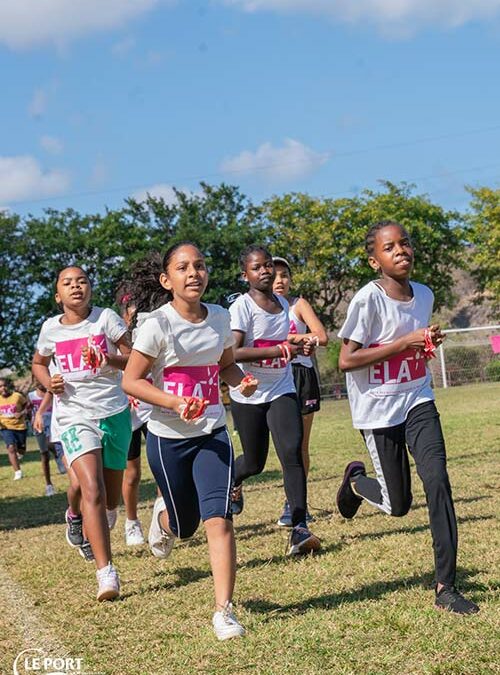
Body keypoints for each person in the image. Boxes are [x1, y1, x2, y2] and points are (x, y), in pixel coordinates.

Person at [336, 220, 479, 615]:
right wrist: (402, 343)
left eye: (405, 243)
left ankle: (445, 586)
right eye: (389, 247)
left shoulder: (425, 295)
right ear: (374, 260)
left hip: (417, 399)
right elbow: (346, 360)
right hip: (378, 410)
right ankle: (354, 483)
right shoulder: (368, 300)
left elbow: (414, 346)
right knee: (398, 504)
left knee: (438, 480)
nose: (400, 251)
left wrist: (425, 342)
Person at [122, 242, 258, 640]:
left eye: (199, 265)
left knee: (220, 519)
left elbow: (227, 366)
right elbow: (131, 381)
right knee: (186, 526)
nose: (194, 273)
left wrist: (240, 383)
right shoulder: (157, 325)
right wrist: (174, 401)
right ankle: (162, 520)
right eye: (183, 268)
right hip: (168, 439)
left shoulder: (219, 317)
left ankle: (224, 611)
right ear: (167, 280)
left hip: (213, 432)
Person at [32, 265, 132, 601]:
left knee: (111, 500)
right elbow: (38, 364)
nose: (76, 287)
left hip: (114, 413)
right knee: (91, 487)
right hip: (74, 415)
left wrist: (107, 359)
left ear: (90, 288)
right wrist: (49, 383)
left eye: (82, 281)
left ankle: (76, 515)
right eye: (68, 283)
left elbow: (133, 359)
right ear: (58, 295)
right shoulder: (50, 329)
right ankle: (107, 574)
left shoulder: (106, 320)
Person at [228, 245, 321, 556]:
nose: (265, 271)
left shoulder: (284, 304)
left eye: (268, 265)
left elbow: (287, 342)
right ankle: (230, 480)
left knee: (292, 452)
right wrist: (278, 351)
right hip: (248, 391)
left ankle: (298, 527)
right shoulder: (241, 307)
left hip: (282, 387)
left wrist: (302, 347)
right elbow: (234, 353)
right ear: (246, 275)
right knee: (254, 462)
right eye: (257, 267)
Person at [272, 256, 328, 526]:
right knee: (284, 447)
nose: (279, 281)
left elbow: (322, 336)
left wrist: (292, 339)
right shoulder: (259, 309)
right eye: (274, 275)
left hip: (301, 376)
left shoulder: (299, 305)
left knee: (300, 445)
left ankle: (296, 504)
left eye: (284, 275)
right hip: (273, 378)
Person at [115, 284, 152, 546]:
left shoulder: (150, 329)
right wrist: (126, 389)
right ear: (123, 312)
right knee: (132, 473)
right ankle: (131, 522)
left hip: (154, 407)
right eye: (130, 308)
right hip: (128, 412)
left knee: (163, 465)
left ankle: (165, 509)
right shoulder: (115, 338)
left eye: (138, 306)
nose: (134, 312)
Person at [0, 377, 28, 480]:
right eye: (0, 386)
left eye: (4, 385)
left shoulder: (17, 396)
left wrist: (21, 413)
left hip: (20, 426)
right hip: (5, 427)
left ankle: (20, 452)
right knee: (11, 447)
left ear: (8, 386)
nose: (3, 388)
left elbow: (27, 406)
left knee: (21, 449)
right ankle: (17, 472)